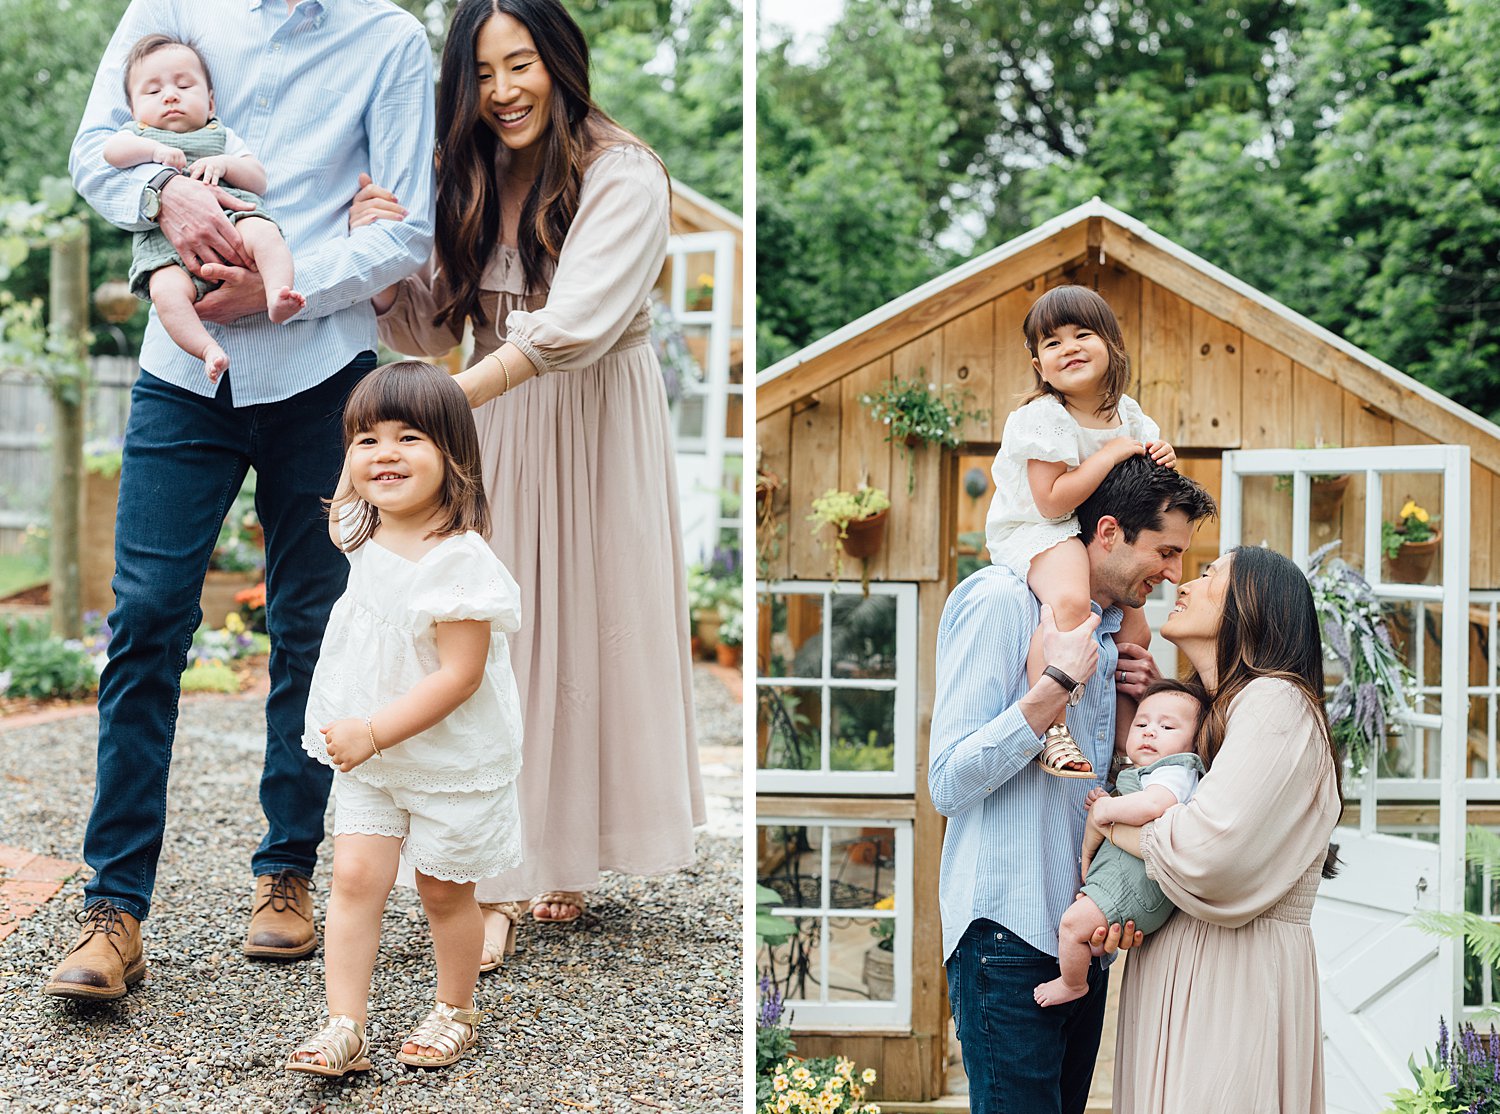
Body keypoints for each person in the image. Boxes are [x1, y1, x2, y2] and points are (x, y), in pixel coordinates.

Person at [44, 1, 434, 1001]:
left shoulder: (386, 38)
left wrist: (284, 282)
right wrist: (161, 201)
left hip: (320, 370)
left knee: (311, 628)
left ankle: (285, 875)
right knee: (144, 620)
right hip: (182, 371)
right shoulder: (169, 8)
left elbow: (409, 232)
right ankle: (114, 907)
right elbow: (95, 148)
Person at [351, 0, 702, 960]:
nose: (504, 92)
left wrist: (446, 407)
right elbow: (427, 331)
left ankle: (548, 858)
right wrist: (386, 258)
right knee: (488, 634)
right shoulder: (464, 174)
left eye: (523, 65)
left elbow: (573, 325)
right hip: (490, 418)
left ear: (561, 60)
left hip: (587, 419)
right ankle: (491, 867)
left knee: (580, 627)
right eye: (484, 73)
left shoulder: (621, 172)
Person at [929, 455, 1216, 1114]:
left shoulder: (1116, 640)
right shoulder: (999, 602)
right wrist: (1053, 687)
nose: (1174, 574)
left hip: (1081, 947)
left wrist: (1134, 727)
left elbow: (1089, 791)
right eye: (1166, 552)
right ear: (1109, 533)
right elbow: (947, 783)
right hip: (1004, 940)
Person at [286, 362, 522, 1077]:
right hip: (371, 754)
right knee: (355, 878)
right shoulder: (364, 534)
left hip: (447, 755)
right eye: (366, 439)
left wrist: (375, 731)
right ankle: (343, 1025)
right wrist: (365, 734)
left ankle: (454, 1009)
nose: (384, 453)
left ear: (454, 457)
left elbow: (460, 674)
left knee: (444, 890)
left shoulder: (459, 563)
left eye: (409, 437)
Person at [1102, 546, 1344, 1113]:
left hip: (1230, 979)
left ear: (1252, 603)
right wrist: (1166, 713)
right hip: (1187, 968)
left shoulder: (1276, 702)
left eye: (1211, 574)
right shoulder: (1228, 712)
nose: (1185, 581)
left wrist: (1108, 823)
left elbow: (1206, 853)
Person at [984, 285, 1176, 780]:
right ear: (1038, 365)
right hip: (1038, 528)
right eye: (1051, 343)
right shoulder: (1043, 417)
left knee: (1136, 631)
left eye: (1082, 334)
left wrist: (1163, 458)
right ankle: (1052, 729)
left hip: (1085, 531)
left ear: (1112, 344)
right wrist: (1111, 454)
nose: (1068, 347)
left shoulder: (1129, 414)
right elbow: (1051, 500)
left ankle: (1123, 746)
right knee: (1069, 602)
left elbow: (1146, 484)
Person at [103, 32, 303, 382]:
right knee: (164, 292)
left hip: (235, 221)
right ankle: (206, 348)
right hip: (166, 250)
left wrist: (225, 164)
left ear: (210, 103)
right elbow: (111, 153)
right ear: (134, 110)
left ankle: (276, 294)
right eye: (153, 91)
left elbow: (258, 179)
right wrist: (151, 153)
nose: (170, 96)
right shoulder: (135, 134)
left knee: (267, 233)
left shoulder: (222, 135)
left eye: (184, 85)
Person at [1033, 679, 1207, 1008]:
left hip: (1134, 884)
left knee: (1071, 926)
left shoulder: (1176, 771)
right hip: (1124, 881)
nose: (1150, 731)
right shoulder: (1149, 772)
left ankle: (1072, 984)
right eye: (1141, 723)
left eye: (1167, 726)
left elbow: (1153, 806)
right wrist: (1108, 798)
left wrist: (1105, 809)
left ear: (1196, 743)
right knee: (1086, 932)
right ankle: (1087, 954)